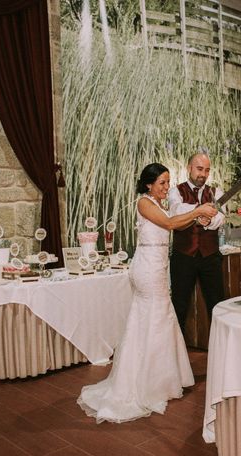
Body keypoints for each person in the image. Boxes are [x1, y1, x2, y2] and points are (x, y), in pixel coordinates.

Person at [77, 163, 218, 423]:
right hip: (147, 269)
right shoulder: (144, 203)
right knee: (154, 316)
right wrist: (198, 210)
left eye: (168, 182)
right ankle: (145, 383)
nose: (166, 187)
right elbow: (169, 223)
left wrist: (198, 218)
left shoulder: (158, 203)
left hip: (157, 267)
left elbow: (175, 223)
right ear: (148, 185)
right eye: (162, 183)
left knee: (160, 316)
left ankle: (161, 379)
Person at [168, 153, 226, 334]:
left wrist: (208, 221)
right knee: (179, 304)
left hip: (210, 256)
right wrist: (199, 211)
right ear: (189, 168)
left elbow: (221, 218)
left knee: (217, 304)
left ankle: (220, 346)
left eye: (207, 170)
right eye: (199, 169)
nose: (203, 174)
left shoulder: (217, 192)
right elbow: (176, 212)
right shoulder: (175, 191)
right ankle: (177, 352)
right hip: (183, 256)